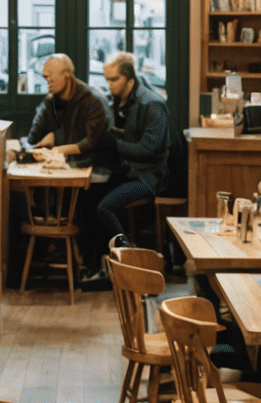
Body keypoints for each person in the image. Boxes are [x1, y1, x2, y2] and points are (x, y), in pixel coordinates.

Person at [82, 52, 171, 286]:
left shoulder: (151, 104)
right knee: (90, 198)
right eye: (107, 80)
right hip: (131, 171)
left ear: (129, 80)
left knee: (106, 207)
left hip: (149, 177)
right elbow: (133, 137)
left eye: (114, 80)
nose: (109, 85)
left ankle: (130, 263)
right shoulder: (129, 101)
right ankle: (99, 267)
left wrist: (116, 143)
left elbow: (150, 149)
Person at [28, 53, 110, 162]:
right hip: (62, 164)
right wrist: (48, 137)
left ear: (67, 74)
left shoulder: (91, 100)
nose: (47, 78)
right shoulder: (50, 101)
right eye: (45, 76)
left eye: (51, 73)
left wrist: (58, 150)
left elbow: (93, 142)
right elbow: (33, 137)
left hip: (93, 165)